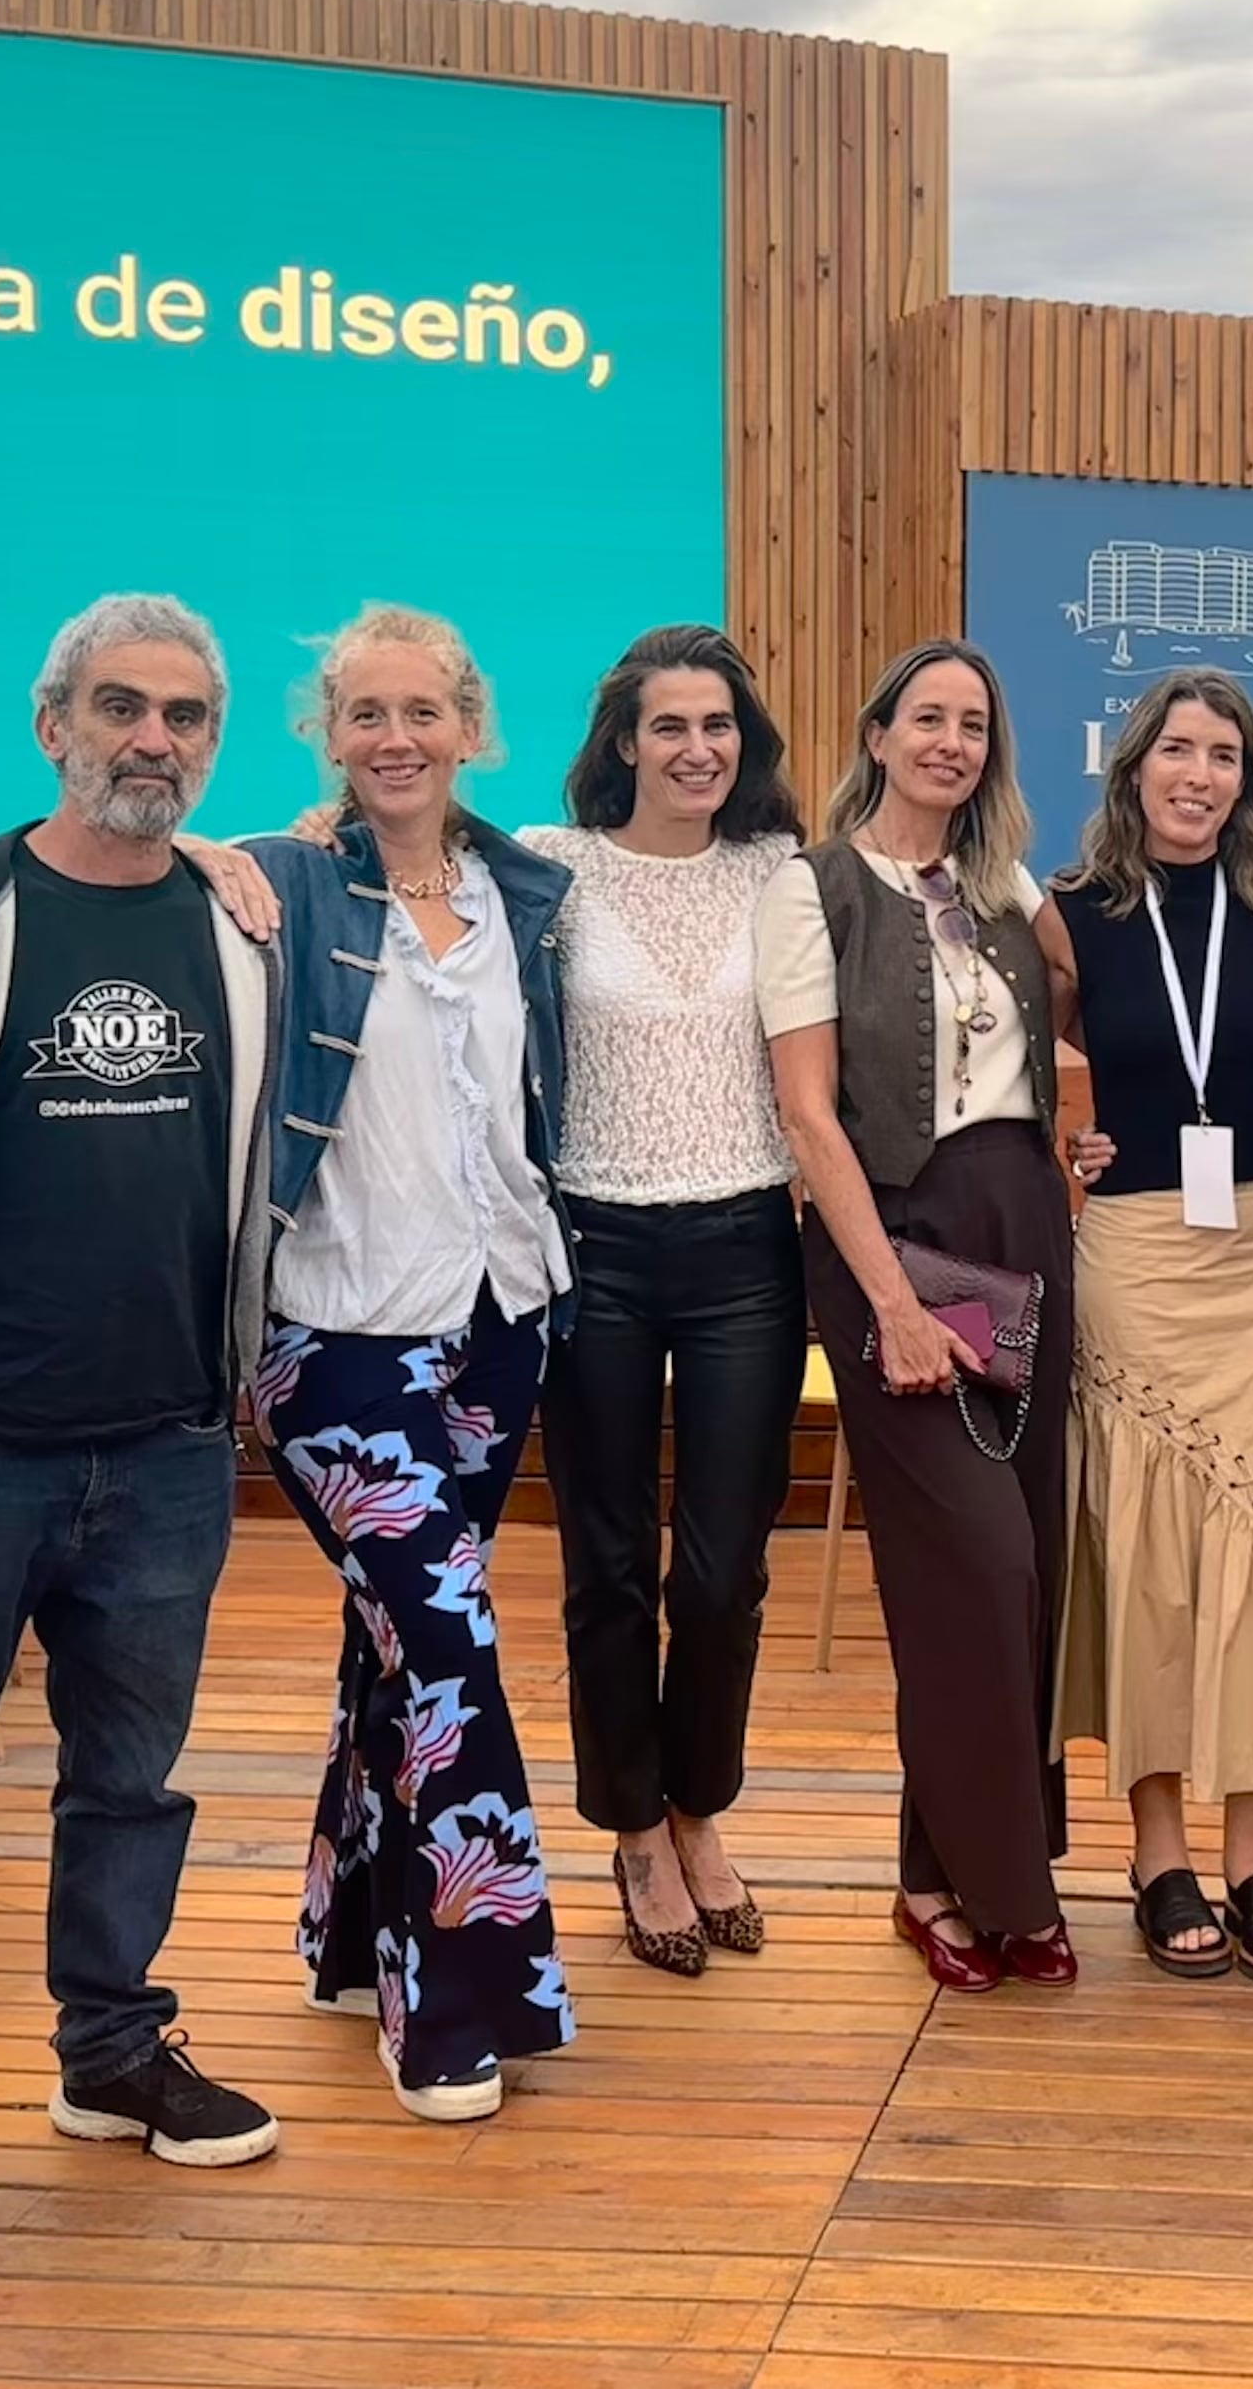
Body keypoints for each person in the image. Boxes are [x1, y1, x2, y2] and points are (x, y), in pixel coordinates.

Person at [0, 593, 283, 2275]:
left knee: (130, 1781)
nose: (150, 737)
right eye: (119, 706)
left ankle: (110, 2051)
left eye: (182, 714)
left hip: (168, 1442)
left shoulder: (238, 920)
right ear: (53, 724)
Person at [236, 606, 576, 2120]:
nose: (395, 737)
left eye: (422, 710)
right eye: (364, 713)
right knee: (446, 1649)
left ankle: (344, 1927)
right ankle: (456, 2003)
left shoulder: (528, 889)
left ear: (470, 725)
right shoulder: (287, 881)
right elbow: (147, 861)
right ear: (329, 732)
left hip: (506, 1310)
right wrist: (208, 855)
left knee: (398, 1642)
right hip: (332, 1328)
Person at [758, 638, 1080, 1992]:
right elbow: (806, 1109)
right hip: (894, 1238)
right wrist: (889, 1299)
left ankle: (936, 1875)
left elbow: (1086, 1032)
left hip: (1024, 1227)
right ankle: (1008, 1886)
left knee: (1024, 1580)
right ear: (879, 735)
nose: (952, 740)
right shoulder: (810, 886)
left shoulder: (1014, 891)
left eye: (975, 724)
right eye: (928, 718)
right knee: (974, 1563)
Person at [1041, 670, 1253, 1981]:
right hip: (1135, 1262)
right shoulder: (1066, 918)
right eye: (1178, 748)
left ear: (1248, 776)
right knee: (1155, 1555)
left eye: (1223, 754)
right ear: (1134, 765)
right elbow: (1019, 1076)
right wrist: (1067, 1140)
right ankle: (1159, 1850)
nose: (1199, 774)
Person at [521, 625, 809, 1976]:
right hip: (597, 1247)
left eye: (719, 726)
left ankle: (701, 1809)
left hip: (751, 1248)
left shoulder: (782, 876)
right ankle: (635, 1833)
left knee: (726, 1568)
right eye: (670, 726)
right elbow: (384, 856)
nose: (698, 749)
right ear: (623, 743)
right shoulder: (551, 868)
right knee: (610, 1565)